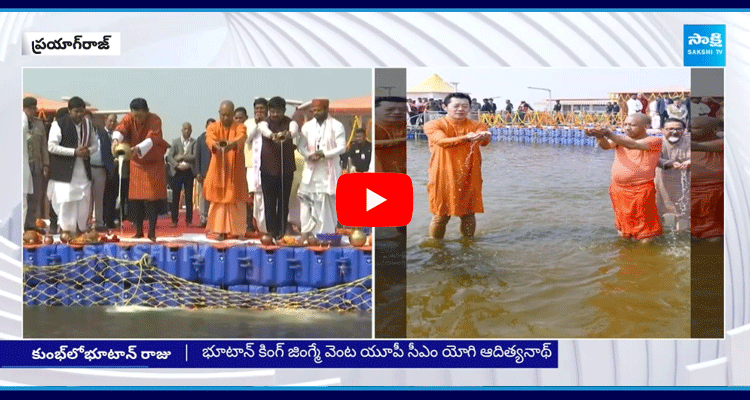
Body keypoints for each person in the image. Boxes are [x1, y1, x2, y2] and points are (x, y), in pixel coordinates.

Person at [424, 92, 491, 239]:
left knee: (468, 214)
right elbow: (441, 142)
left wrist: (484, 136)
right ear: (445, 106)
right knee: (441, 216)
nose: (461, 109)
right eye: (456, 106)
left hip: (469, 174)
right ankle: (435, 246)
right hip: (443, 175)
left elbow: (484, 141)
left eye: (465, 106)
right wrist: (466, 137)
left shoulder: (477, 125)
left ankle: (468, 244)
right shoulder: (433, 125)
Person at [586, 113, 662, 242]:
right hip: (618, 188)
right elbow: (605, 146)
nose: (627, 128)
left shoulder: (654, 141)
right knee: (622, 220)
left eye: (632, 125)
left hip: (640, 188)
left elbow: (632, 145)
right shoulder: (620, 139)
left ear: (646, 126)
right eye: (625, 124)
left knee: (645, 226)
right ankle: (625, 249)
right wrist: (598, 136)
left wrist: (608, 133)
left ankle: (645, 252)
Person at [111, 98, 170, 241]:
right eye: (134, 115)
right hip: (136, 163)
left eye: (140, 116)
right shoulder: (129, 118)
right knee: (135, 200)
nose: (136, 119)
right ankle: (138, 230)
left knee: (151, 200)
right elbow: (121, 129)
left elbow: (152, 139)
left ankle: (151, 232)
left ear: (146, 112)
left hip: (153, 163)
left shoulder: (155, 120)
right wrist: (116, 140)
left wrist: (137, 149)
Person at [46, 96, 98, 234]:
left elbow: (95, 144)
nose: (80, 114)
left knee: (83, 202)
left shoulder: (88, 124)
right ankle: (66, 231)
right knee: (66, 201)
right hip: (65, 173)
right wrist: (74, 152)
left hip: (83, 172)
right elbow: (51, 146)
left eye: (82, 111)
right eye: (76, 111)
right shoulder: (59, 124)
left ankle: (81, 229)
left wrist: (88, 151)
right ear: (69, 111)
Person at [297, 98, 346, 237]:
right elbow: (301, 146)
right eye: (314, 111)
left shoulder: (337, 126)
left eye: (319, 110)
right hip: (311, 172)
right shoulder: (307, 127)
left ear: (326, 109)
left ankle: (325, 235)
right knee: (306, 202)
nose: (316, 113)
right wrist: (308, 155)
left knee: (325, 204)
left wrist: (324, 154)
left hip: (328, 172)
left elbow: (342, 147)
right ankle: (307, 233)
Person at [204, 101, 248, 240]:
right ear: (219, 114)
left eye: (228, 115)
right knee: (218, 199)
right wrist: (215, 145)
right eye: (223, 115)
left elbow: (241, 138)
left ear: (233, 114)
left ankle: (238, 231)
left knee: (237, 199)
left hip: (235, 171)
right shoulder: (213, 126)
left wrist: (233, 144)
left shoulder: (240, 127)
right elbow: (209, 138)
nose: (225, 118)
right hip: (218, 169)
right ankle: (218, 230)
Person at [257, 96, 298, 240]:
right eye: (272, 112)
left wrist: (288, 135)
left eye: (278, 112)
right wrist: (273, 135)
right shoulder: (264, 123)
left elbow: (294, 131)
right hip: (268, 170)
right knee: (269, 202)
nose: (275, 115)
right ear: (269, 111)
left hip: (286, 170)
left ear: (284, 111)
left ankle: (281, 232)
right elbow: (265, 131)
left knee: (283, 201)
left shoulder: (290, 122)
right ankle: (271, 232)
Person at [690, 116, 723, 241]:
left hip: (713, 193)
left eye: (695, 128)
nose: (690, 130)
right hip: (691, 193)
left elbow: (698, 146)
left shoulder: (723, 143)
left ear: (714, 129)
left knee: (713, 233)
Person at [655, 118, 691, 231]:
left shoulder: (690, 142)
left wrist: (690, 162)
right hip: (661, 185)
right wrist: (669, 163)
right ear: (662, 130)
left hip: (684, 185)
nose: (675, 132)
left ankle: (681, 238)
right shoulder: (657, 143)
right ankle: (660, 237)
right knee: (657, 213)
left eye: (678, 129)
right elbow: (654, 159)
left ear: (684, 130)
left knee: (684, 213)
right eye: (670, 129)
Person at [85, 110, 116, 232]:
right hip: (86, 168)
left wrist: (110, 168)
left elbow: (108, 151)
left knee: (99, 197)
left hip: (100, 169)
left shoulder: (102, 133)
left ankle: (99, 222)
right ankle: (86, 223)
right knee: (87, 198)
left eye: (89, 119)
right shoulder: (82, 134)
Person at [23, 97, 49, 232]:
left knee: (35, 195)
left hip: (36, 163)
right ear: (24, 108)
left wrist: (46, 164)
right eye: (31, 108)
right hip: (23, 163)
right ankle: (21, 225)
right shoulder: (19, 122)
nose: (33, 111)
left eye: (34, 108)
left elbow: (44, 146)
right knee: (23, 195)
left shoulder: (39, 124)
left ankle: (31, 224)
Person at [244, 98, 268, 234]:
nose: (259, 111)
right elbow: (247, 139)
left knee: (264, 198)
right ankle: (250, 225)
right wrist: (257, 125)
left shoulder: (270, 123)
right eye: (256, 109)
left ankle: (263, 227)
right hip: (251, 167)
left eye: (261, 109)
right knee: (252, 197)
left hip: (266, 166)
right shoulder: (248, 123)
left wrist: (264, 124)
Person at [166, 122, 196, 227]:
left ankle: (189, 220)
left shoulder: (194, 142)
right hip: (177, 172)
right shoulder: (175, 142)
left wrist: (182, 157)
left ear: (191, 130)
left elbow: (194, 156)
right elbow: (169, 157)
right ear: (182, 130)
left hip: (188, 172)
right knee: (175, 197)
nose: (187, 131)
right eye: (185, 129)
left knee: (189, 197)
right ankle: (174, 220)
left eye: (189, 129)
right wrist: (176, 164)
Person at [373, 96, 407, 174]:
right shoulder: (373, 125)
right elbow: (374, 143)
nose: (397, 112)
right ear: (375, 110)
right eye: (390, 110)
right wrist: (401, 140)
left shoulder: (404, 125)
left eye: (402, 110)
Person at [194, 118, 214, 228]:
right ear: (206, 127)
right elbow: (197, 157)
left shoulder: (219, 137)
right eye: (209, 126)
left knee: (214, 197)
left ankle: (213, 220)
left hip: (216, 172)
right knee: (204, 197)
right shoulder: (201, 138)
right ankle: (203, 218)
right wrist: (198, 172)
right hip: (204, 172)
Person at [102, 114, 120, 229]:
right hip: (102, 169)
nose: (112, 123)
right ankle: (103, 219)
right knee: (103, 195)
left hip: (115, 169)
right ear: (105, 120)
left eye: (114, 121)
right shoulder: (100, 134)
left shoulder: (117, 136)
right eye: (110, 121)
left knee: (113, 195)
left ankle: (111, 219)